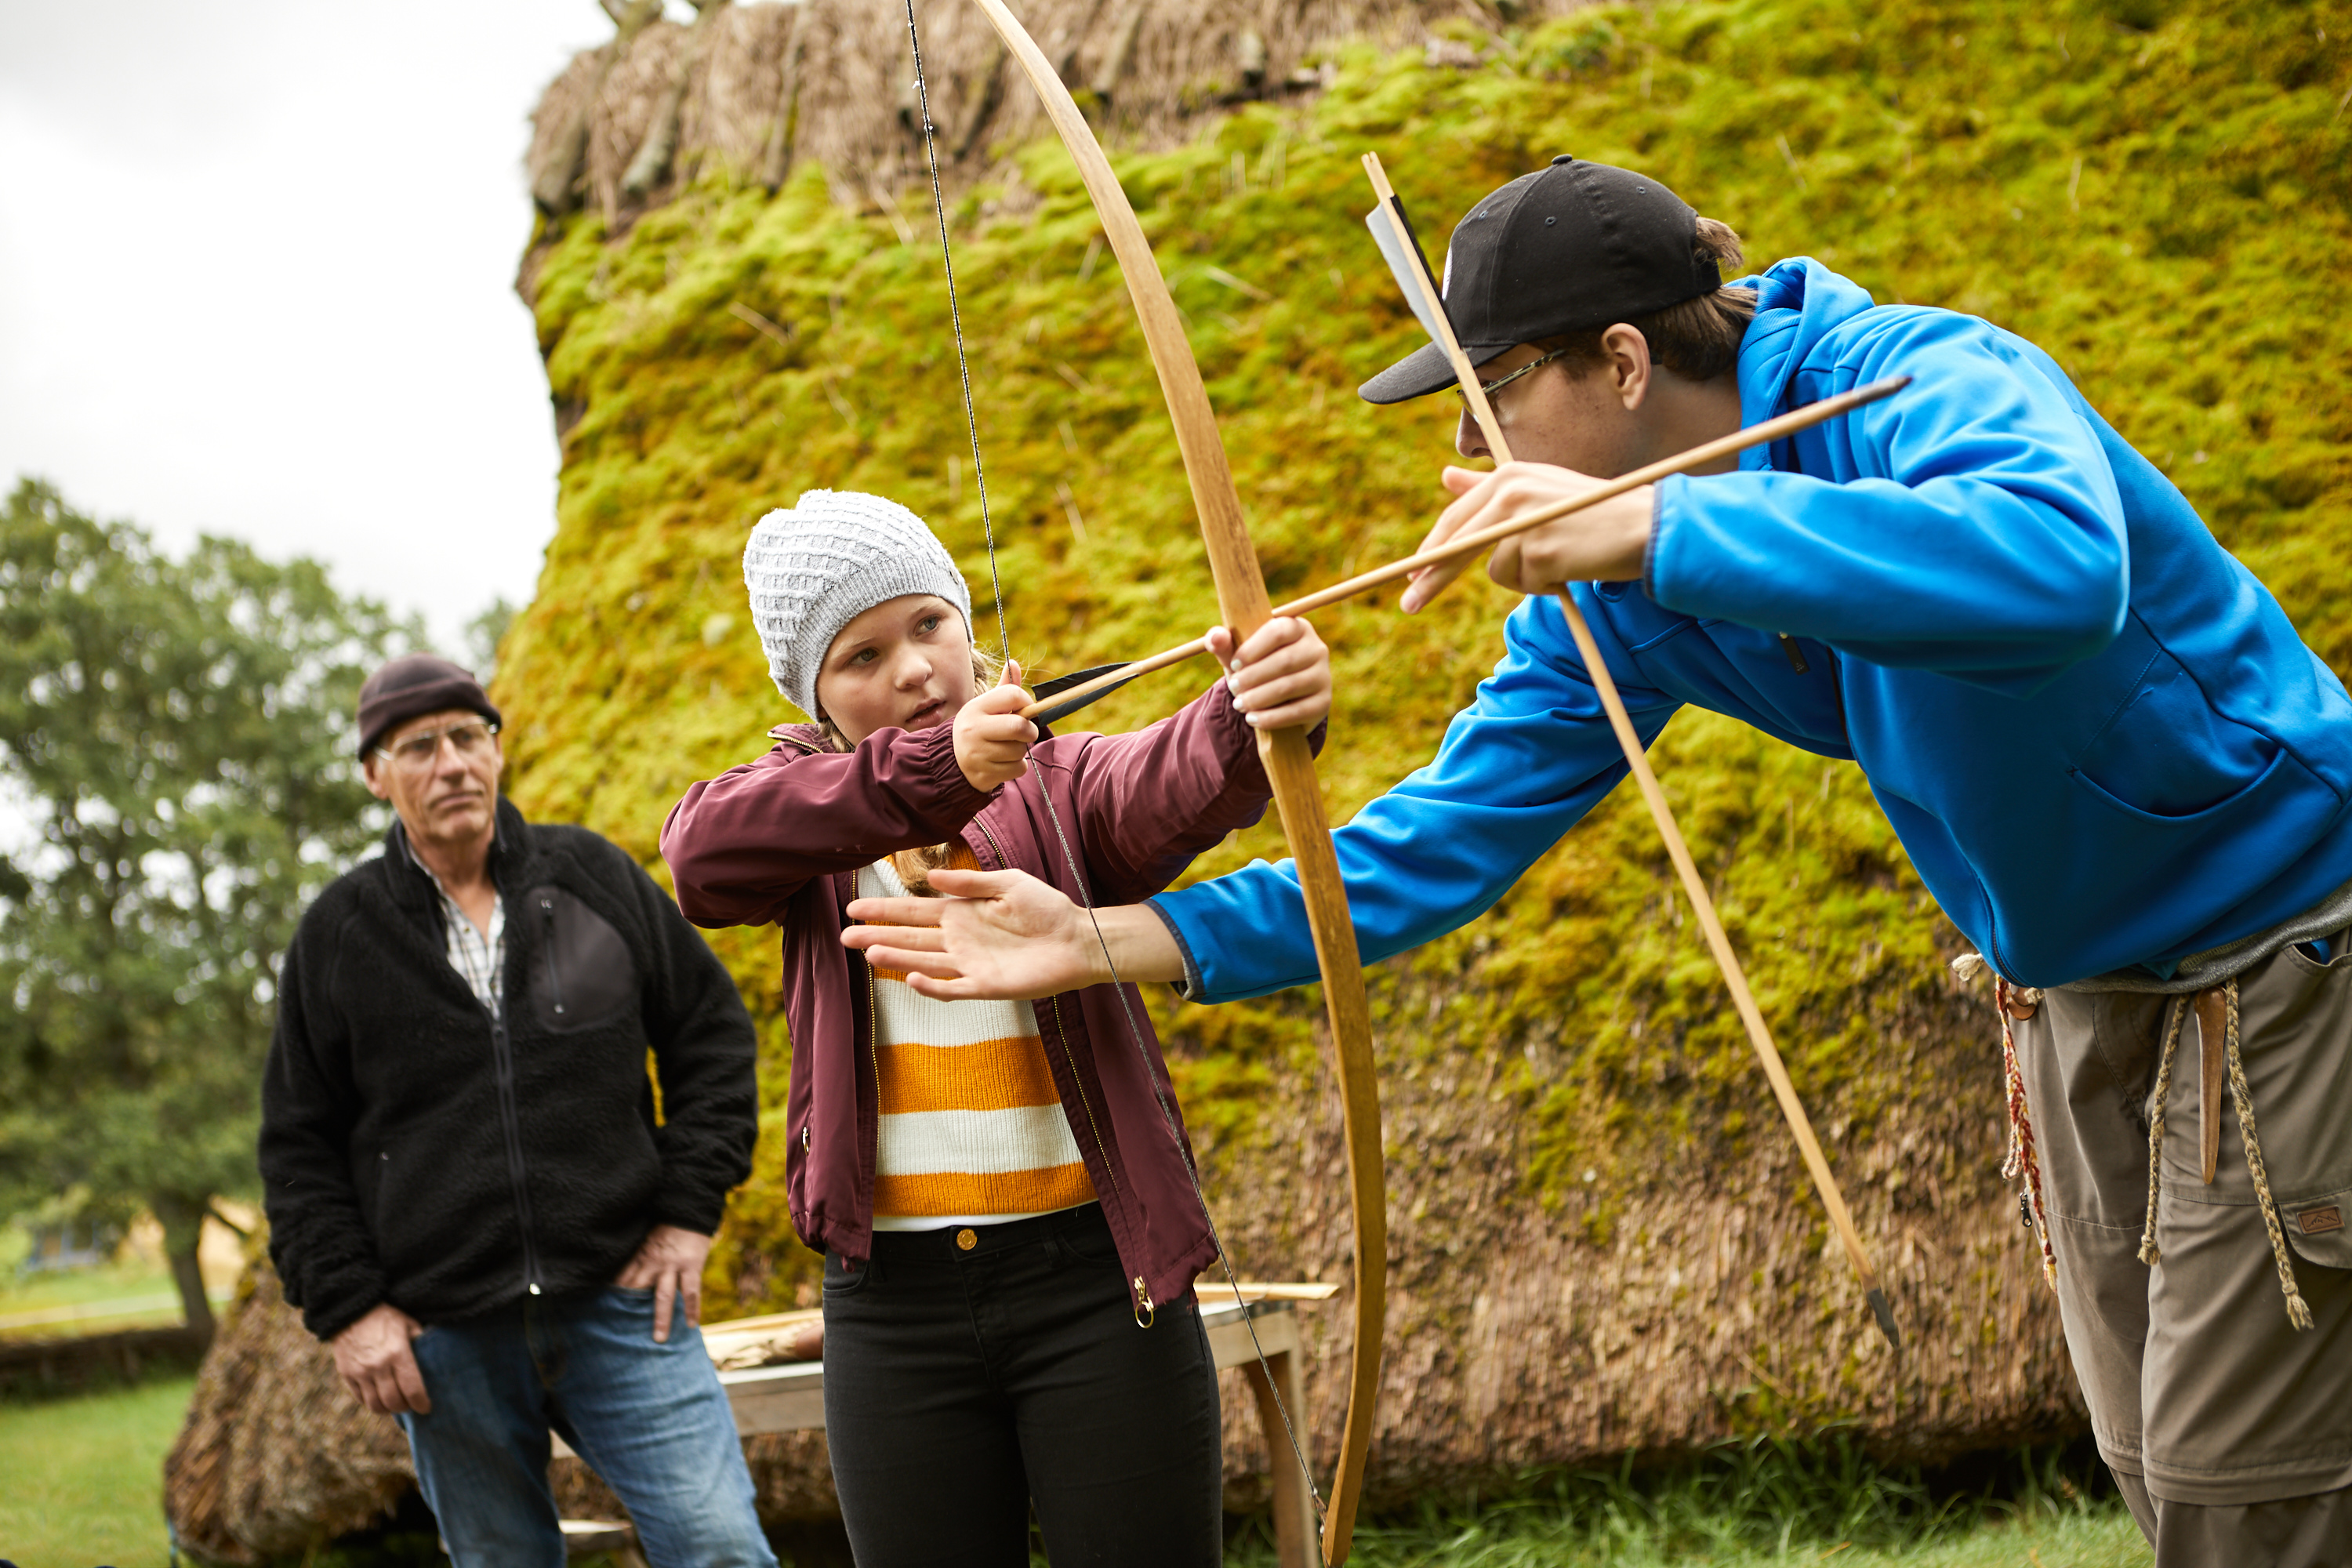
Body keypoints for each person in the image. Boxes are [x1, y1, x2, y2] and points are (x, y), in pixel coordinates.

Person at [837, 158, 2352, 1565]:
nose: (1459, 454)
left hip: (2273, 951)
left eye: (1490, 399)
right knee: (2158, 1467)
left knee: (2249, 1498)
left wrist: (1654, 524)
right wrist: (1106, 942)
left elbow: (2058, 571)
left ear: (1623, 364)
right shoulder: (1616, 594)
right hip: (2080, 996)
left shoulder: (1916, 380)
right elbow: (1434, 844)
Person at [658, 489, 1332, 1568]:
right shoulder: (799, 810)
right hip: (893, 1311)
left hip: (1101, 1284)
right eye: (863, 655)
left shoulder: (1059, 781)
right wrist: (932, 774)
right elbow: (700, 856)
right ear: (816, 700)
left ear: (969, 629)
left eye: (930, 625)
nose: (917, 670)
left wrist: (1251, 709)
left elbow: (1166, 779)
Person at [260, 653, 773, 1568]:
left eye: (469, 735)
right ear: (375, 774)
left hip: (625, 1306)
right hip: (445, 1335)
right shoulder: (338, 933)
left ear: (497, 750)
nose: (452, 762)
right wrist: (349, 1307)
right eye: (419, 746)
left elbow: (712, 1037)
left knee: (721, 1545)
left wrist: (689, 1215)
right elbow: (298, 1145)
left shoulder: (593, 878)